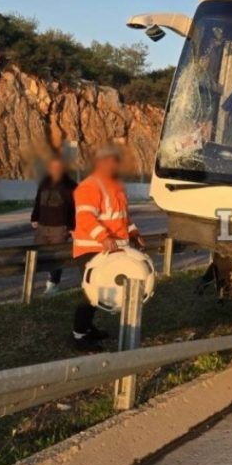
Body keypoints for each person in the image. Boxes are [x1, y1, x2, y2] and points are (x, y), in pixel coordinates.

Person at [70, 145, 146, 351]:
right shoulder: (89, 187)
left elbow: (122, 217)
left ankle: (87, 329)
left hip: (112, 250)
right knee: (92, 293)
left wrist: (134, 232)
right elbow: (85, 217)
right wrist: (103, 237)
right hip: (92, 249)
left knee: (102, 292)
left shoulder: (116, 187)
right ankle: (78, 335)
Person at [31, 153, 77, 296]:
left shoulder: (71, 186)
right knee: (39, 255)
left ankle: (53, 285)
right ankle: (33, 281)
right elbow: (38, 200)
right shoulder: (44, 182)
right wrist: (34, 217)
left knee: (56, 257)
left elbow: (75, 208)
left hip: (60, 227)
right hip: (43, 225)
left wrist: (72, 227)